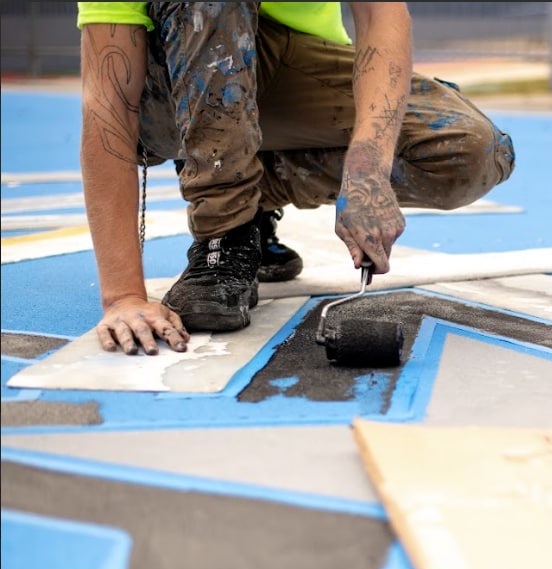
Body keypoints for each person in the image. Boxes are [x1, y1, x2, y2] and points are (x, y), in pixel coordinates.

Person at [77, 2, 515, 355]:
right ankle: (223, 235)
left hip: (291, 64)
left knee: (469, 152)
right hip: (169, 89)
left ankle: (251, 196)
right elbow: (108, 106)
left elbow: (380, 13)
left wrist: (367, 169)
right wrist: (123, 297)